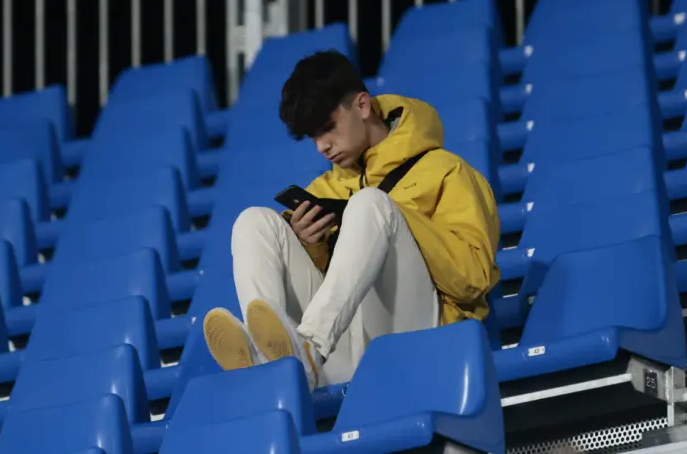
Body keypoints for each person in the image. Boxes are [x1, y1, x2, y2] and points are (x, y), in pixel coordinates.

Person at [202, 50, 501, 390]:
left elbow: (474, 280)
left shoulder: (449, 172)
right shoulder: (326, 188)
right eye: (313, 137)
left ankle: (308, 349)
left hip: (424, 339)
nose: (322, 147)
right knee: (253, 221)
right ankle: (274, 364)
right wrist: (314, 248)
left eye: (327, 128)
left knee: (370, 204)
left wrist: (397, 219)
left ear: (362, 106)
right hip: (347, 350)